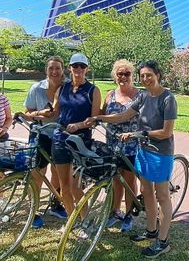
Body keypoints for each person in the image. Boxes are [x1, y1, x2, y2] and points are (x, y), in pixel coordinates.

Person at [87, 60, 177, 258]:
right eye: (142, 76)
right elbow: (123, 116)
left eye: (149, 75)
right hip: (143, 151)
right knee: (146, 192)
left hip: (161, 153)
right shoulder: (143, 96)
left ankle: (163, 241)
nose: (145, 79)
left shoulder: (168, 98)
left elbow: (166, 132)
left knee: (162, 195)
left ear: (158, 75)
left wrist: (139, 134)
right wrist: (98, 118)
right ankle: (151, 230)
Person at [45, 53, 101, 227]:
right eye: (75, 66)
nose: (78, 70)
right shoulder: (62, 88)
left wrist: (78, 125)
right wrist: (34, 114)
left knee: (76, 186)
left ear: (86, 69)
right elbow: (54, 111)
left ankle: (85, 220)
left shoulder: (93, 90)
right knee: (64, 185)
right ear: (69, 68)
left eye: (82, 66)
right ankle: (71, 221)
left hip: (80, 141)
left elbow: (94, 120)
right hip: (60, 139)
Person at [22, 56, 69, 228]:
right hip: (40, 133)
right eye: (51, 69)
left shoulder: (69, 87)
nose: (55, 72)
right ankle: (33, 210)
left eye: (58, 68)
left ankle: (55, 203)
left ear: (63, 69)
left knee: (58, 171)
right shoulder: (36, 88)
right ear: (46, 71)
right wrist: (43, 113)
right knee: (37, 172)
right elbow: (28, 111)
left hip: (60, 134)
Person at [102, 59, 140, 232]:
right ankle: (115, 211)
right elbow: (102, 113)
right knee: (115, 178)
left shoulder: (139, 95)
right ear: (115, 76)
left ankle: (129, 214)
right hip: (112, 143)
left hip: (131, 143)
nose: (123, 77)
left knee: (129, 179)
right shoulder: (110, 95)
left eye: (127, 73)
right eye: (120, 74)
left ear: (132, 76)